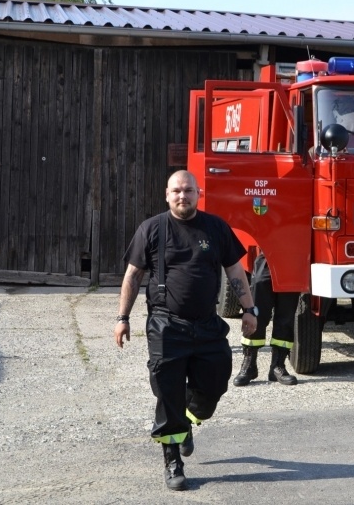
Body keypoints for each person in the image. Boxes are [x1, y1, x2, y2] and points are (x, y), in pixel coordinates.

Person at [113, 170, 257, 492]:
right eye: (177, 191)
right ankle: (172, 458)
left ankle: (189, 419)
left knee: (215, 383)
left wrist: (249, 310)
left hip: (207, 323)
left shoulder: (216, 227)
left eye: (188, 190)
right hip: (166, 325)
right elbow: (133, 277)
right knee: (168, 392)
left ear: (198, 193)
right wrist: (122, 317)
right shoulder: (151, 229)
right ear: (167, 195)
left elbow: (235, 269)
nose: (183, 196)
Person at [233, 251, 299, 387]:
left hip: (292, 257)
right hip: (268, 254)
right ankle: (249, 364)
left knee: (286, 316)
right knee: (257, 311)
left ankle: (277, 366)